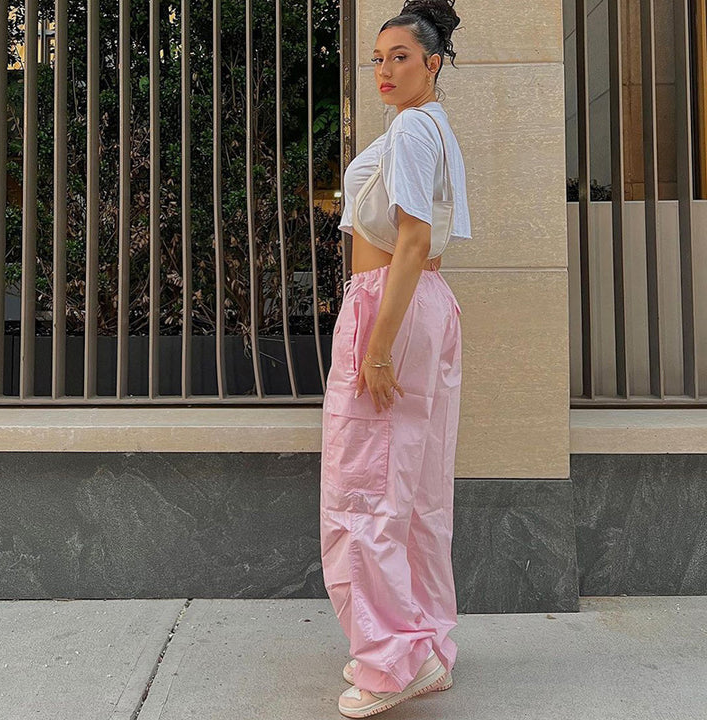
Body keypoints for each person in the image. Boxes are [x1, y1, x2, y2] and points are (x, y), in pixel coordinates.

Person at [319, 0, 472, 717]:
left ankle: (389, 663)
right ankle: (426, 648)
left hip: (392, 305)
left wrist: (376, 347)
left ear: (432, 63)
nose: (383, 69)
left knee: (368, 489)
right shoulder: (428, 125)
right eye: (377, 58)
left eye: (400, 57)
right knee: (416, 495)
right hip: (423, 304)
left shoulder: (413, 127)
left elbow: (410, 239)